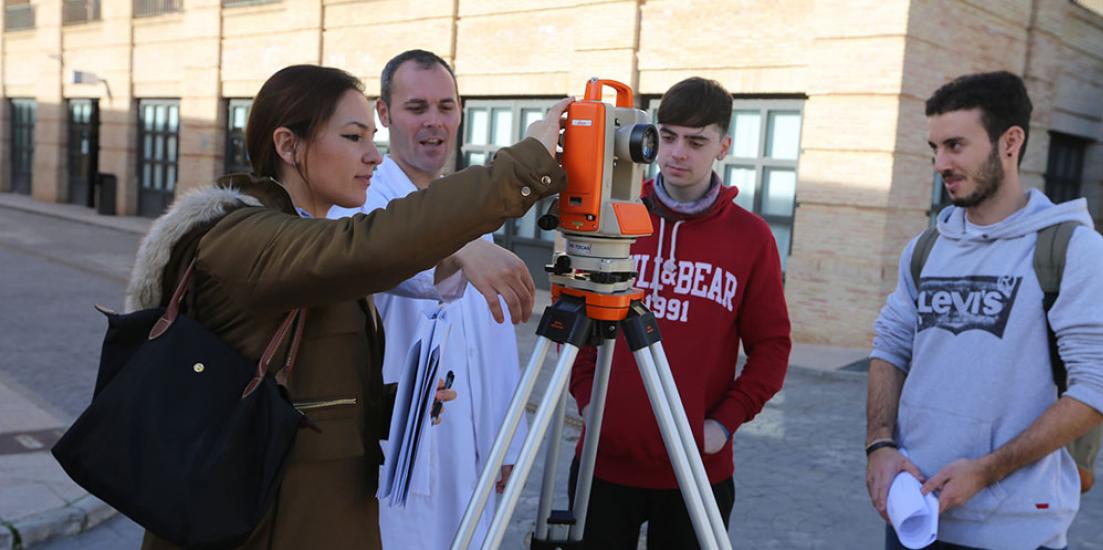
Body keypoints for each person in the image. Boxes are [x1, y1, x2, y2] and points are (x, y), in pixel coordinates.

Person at [126, 64, 570, 550]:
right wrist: (524, 166)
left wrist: (392, 406)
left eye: (372, 139)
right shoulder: (241, 237)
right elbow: (371, 244)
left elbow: (304, 384)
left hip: (313, 513)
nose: (373, 157)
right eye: (354, 137)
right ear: (288, 145)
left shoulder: (307, 243)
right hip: (255, 524)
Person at [865, 71, 1103, 550]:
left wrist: (987, 470)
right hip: (912, 514)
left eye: (955, 145)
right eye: (933, 148)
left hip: (1015, 529)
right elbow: (889, 346)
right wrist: (879, 446)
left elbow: (1098, 386)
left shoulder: (1072, 249)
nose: (939, 163)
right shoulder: (927, 247)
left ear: (1010, 141)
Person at [567, 77, 792, 548]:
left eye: (696, 141)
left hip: (697, 469)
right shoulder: (613, 216)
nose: (677, 153)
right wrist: (589, 400)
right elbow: (575, 314)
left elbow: (772, 346)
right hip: (603, 465)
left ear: (723, 146)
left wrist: (724, 422)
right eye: (667, 136)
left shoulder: (751, 238)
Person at [328, 49, 532, 549]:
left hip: (470, 452)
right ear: (383, 114)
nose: (434, 123)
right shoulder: (358, 207)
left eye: (446, 106)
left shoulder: (473, 217)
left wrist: (508, 446)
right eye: (416, 108)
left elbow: (499, 344)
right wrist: (456, 246)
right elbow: (391, 256)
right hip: (392, 452)